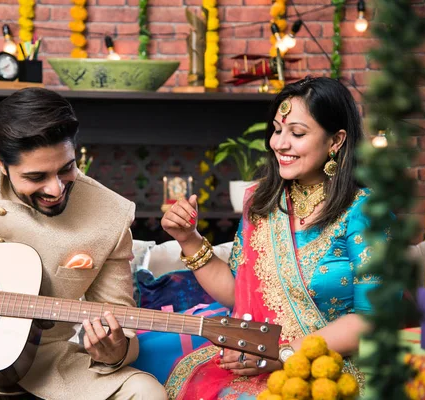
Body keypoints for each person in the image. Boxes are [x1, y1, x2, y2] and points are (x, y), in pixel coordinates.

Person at [0, 88, 167, 400]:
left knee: (146, 391)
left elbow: (120, 317)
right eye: (37, 176)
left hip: (46, 367)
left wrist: (115, 349)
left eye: (66, 168)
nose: (56, 188)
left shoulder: (111, 215)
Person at [160, 77, 381, 399]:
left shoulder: (365, 211)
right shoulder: (261, 203)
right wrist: (188, 239)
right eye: (277, 130)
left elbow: (372, 319)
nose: (279, 143)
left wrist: (283, 354)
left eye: (297, 133)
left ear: (336, 140)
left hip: (330, 366)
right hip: (254, 359)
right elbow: (239, 294)